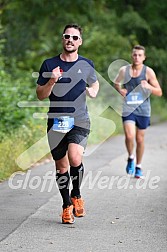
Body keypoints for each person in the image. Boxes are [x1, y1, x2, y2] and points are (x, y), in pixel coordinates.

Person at [36, 24, 99, 224]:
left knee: (74, 156)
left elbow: (94, 82)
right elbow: (40, 95)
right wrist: (52, 81)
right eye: (67, 36)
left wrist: (93, 90)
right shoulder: (49, 64)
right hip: (56, 122)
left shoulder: (87, 64)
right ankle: (66, 205)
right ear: (63, 39)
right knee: (61, 167)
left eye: (74, 37)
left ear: (80, 41)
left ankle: (77, 194)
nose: (70, 40)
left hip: (80, 120)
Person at [114, 45, 162, 178]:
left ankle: (138, 166)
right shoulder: (124, 70)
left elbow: (159, 92)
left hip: (143, 110)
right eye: (135, 55)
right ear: (131, 56)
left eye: (140, 55)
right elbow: (116, 83)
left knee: (139, 139)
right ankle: (130, 157)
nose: (137, 57)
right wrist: (120, 90)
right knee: (129, 136)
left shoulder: (148, 72)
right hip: (128, 108)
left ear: (144, 57)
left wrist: (149, 87)